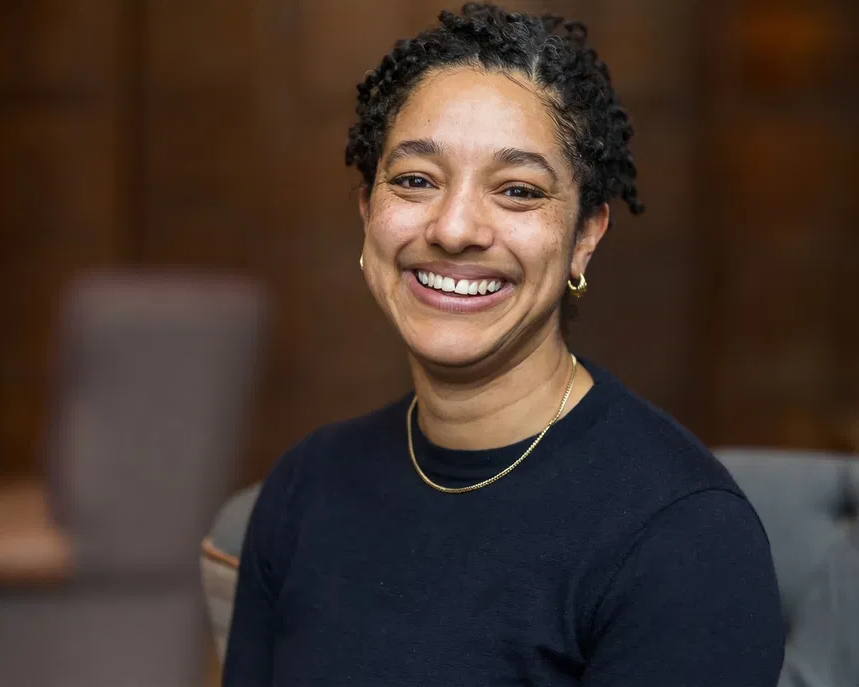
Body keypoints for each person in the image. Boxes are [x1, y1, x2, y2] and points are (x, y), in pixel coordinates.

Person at [222, 4, 786, 685]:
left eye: (518, 190)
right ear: (369, 214)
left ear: (584, 235)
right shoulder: (302, 491)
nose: (456, 227)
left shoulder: (685, 537)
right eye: (415, 180)